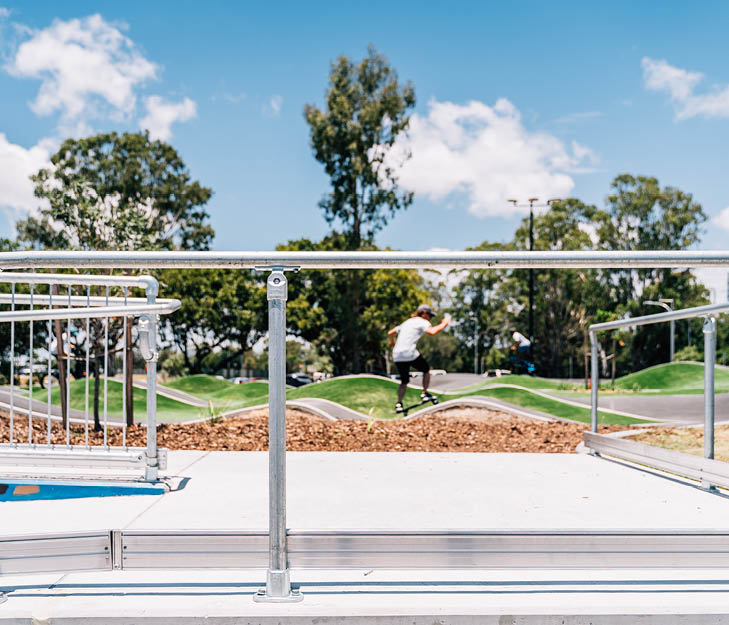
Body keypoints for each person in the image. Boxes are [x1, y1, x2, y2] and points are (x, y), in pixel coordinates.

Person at [388, 304, 451, 413]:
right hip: (409, 353)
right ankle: (424, 393)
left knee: (404, 381)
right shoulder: (422, 321)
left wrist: (392, 342)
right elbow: (432, 332)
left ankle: (399, 403)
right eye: (430, 316)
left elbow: (390, 333)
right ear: (424, 313)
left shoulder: (407, 322)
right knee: (426, 370)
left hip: (397, 354)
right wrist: (444, 323)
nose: (430, 318)